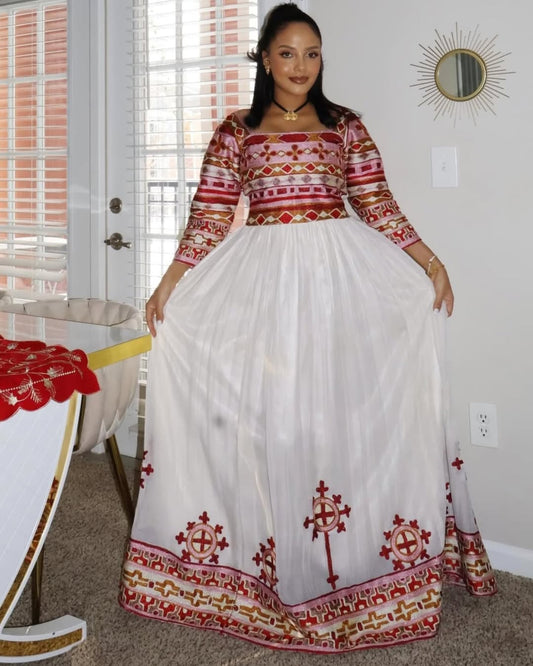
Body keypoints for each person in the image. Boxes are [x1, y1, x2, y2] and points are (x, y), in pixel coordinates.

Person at [120, 3, 496, 653]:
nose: (301, 65)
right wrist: (169, 284)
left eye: (312, 53)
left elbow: (377, 203)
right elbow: (210, 215)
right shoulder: (236, 130)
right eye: (288, 53)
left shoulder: (344, 125)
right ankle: (279, 565)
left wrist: (431, 266)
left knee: (335, 416)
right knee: (279, 420)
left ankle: (347, 565)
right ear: (265, 59)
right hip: (263, 283)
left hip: (338, 281)